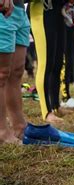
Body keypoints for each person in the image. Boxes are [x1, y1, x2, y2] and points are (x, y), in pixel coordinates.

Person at [0, 0, 29, 144]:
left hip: (19, 9)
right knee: (2, 73)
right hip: (3, 8)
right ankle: (2, 131)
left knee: (16, 73)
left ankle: (19, 126)